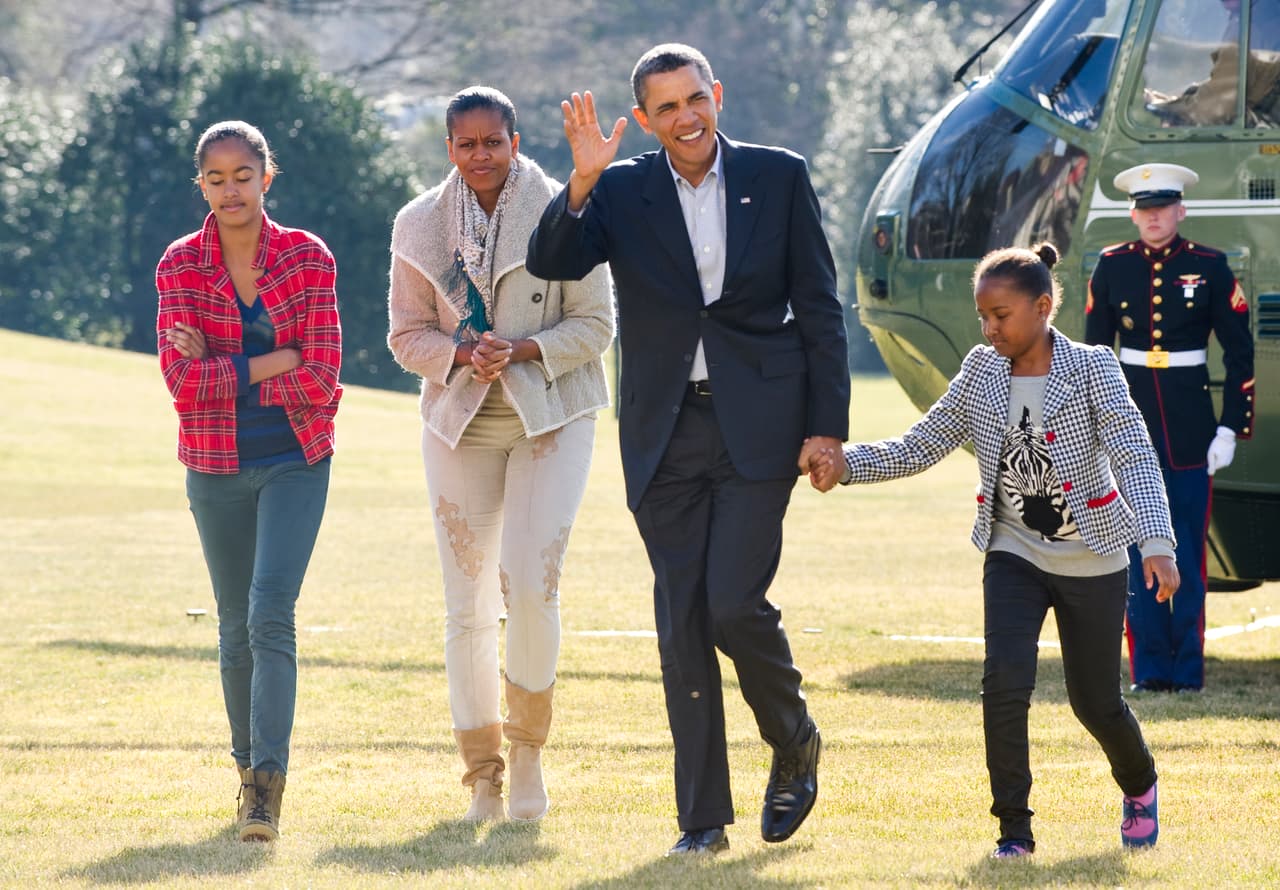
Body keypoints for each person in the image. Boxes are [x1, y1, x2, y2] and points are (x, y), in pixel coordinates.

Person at [526, 43, 850, 855]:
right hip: (662, 431)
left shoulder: (778, 175)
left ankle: (792, 735)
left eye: (694, 98)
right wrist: (584, 179)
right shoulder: (625, 188)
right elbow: (550, 260)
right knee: (681, 626)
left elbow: (819, 307)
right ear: (644, 119)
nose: (685, 117)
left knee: (733, 605)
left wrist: (827, 426)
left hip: (760, 425)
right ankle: (702, 823)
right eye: (665, 107)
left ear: (718, 93)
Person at [809, 243, 1178, 858]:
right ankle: (1015, 831)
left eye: (1001, 315)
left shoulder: (1093, 368)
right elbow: (923, 443)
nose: (989, 328)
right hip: (1012, 550)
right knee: (1004, 684)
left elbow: (1135, 455)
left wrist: (1157, 543)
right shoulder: (981, 369)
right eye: (983, 316)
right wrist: (847, 464)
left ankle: (1139, 784)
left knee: (1096, 703)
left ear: (1042, 306)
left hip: (1092, 554)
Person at [387, 87, 614, 823]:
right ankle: (480, 773)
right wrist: (459, 352)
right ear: (448, 148)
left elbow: (596, 325)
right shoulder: (419, 224)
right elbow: (404, 336)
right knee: (467, 604)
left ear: (515, 141)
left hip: (550, 416)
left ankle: (526, 758)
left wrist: (519, 348)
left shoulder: (565, 208)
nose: (480, 155)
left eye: (494, 141)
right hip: (460, 423)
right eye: (465, 144)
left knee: (531, 588)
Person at [157, 120, 343, 842]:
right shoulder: (180, 264)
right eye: (215, 177)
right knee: (234, 625)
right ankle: (245, 777)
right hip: (213, 465)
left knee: (270, 611)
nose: (230, 189)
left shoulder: (306, 257)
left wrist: (226, 366)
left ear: (268, 176)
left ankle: (268, 787)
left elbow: (323, 378)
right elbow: (183, 385)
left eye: (243, 174)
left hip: (297, 459)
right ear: (200, 184)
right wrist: (275, 358)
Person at [1084, 163, 1255, 694]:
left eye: (1163, 209)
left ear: (1181, 211)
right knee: (1136, 551)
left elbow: (1241, 352)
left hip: (1190, 430)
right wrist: (1096, 429)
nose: (1153, 218)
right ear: (1133, 214)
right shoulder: (1112, 267)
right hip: (1131, 429)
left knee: (1186, 552)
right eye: (1144, 209)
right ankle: (1150, 671)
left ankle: (1188, 672)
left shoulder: (1210, 266)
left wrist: (1229, 429)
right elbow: (1094, 355)